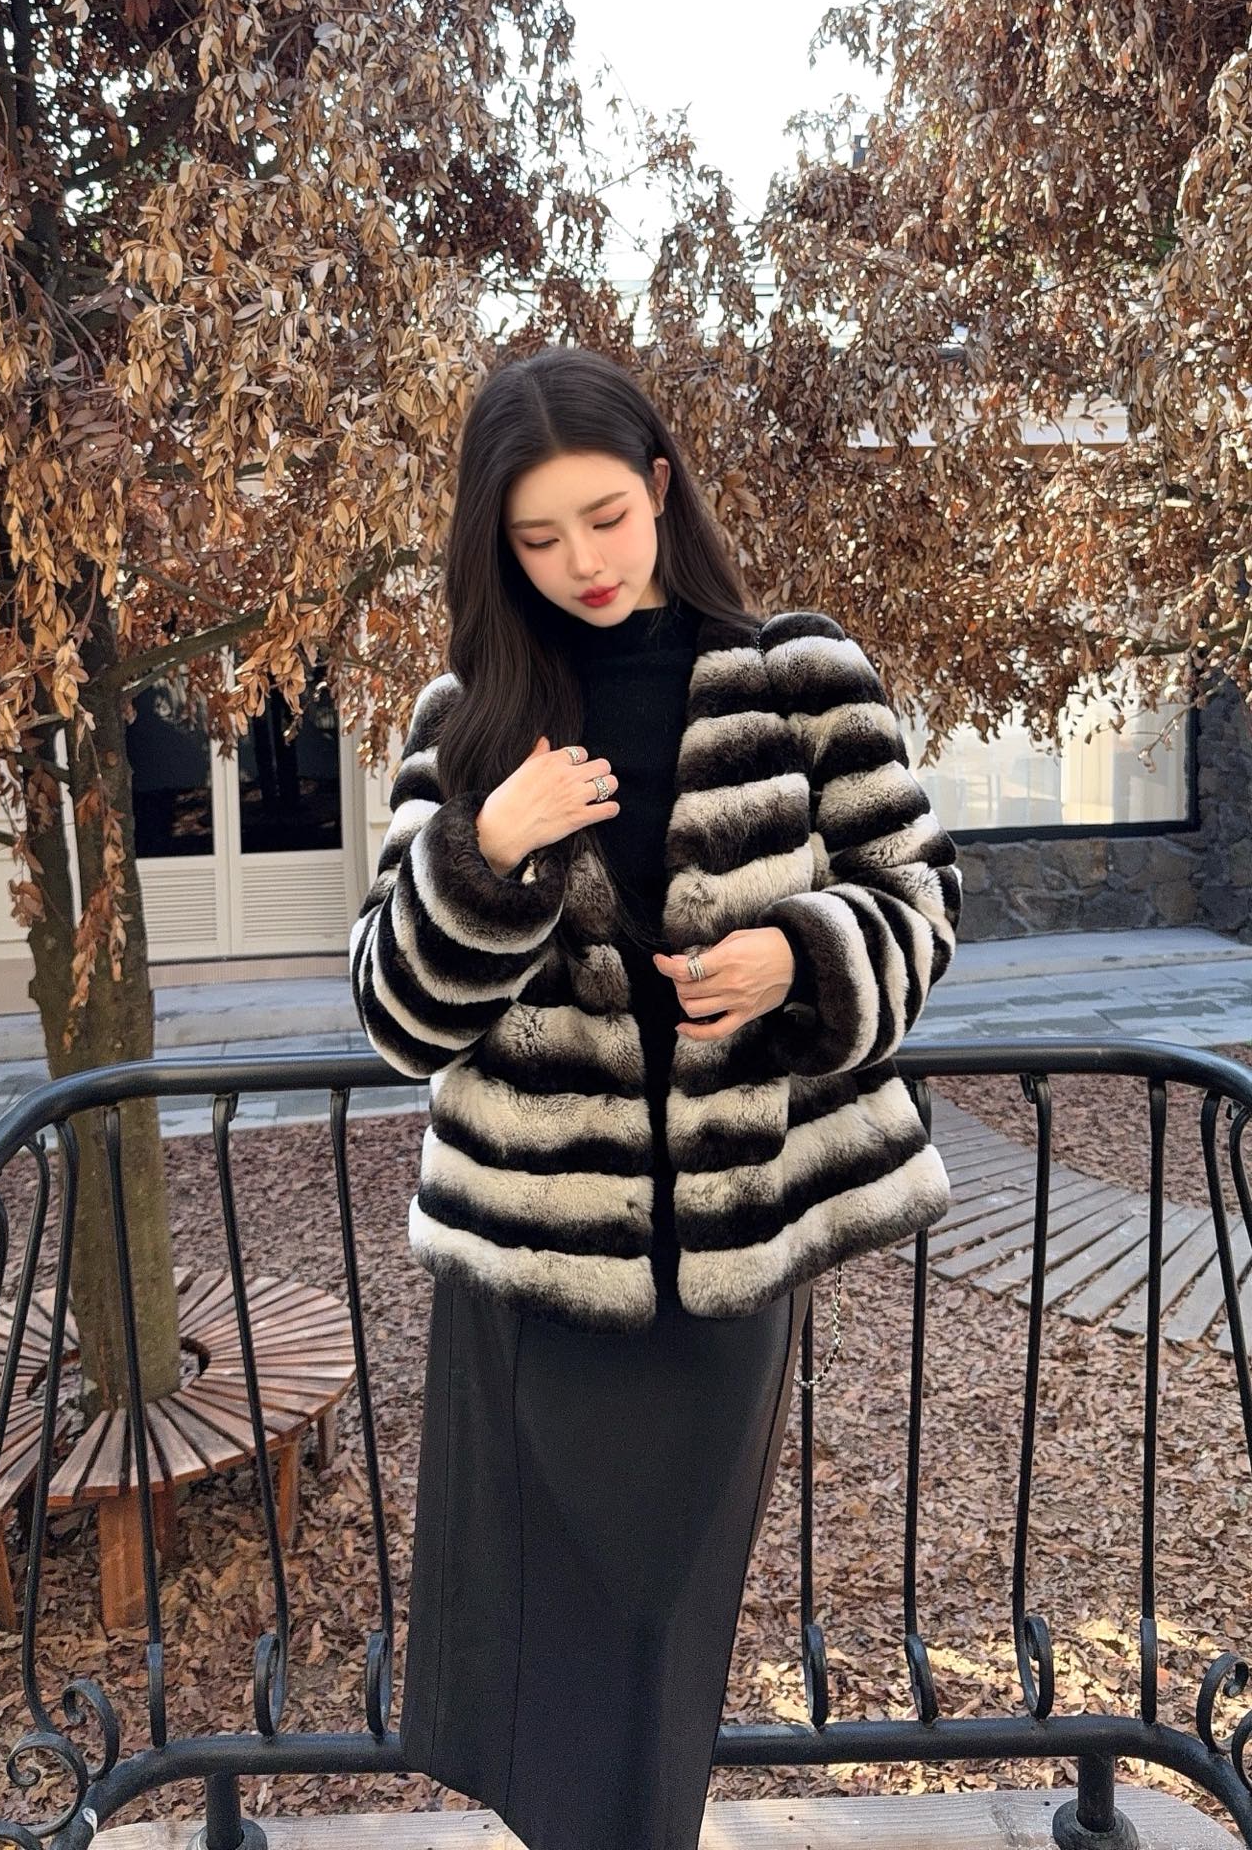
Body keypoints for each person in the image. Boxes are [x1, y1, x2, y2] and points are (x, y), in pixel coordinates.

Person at [348, 345, 962, 1850]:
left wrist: (801, 955)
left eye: (608, 516)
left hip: (728, 1261)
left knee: (659, 1637)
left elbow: (923, 900)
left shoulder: (802, 677)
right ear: (497, 547)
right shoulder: (467, 722)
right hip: (535, 1266)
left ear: (663, 489)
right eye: (539, 537)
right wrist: (488, 851)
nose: (585, 562)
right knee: (532, 1654)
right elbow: (398, 1019)